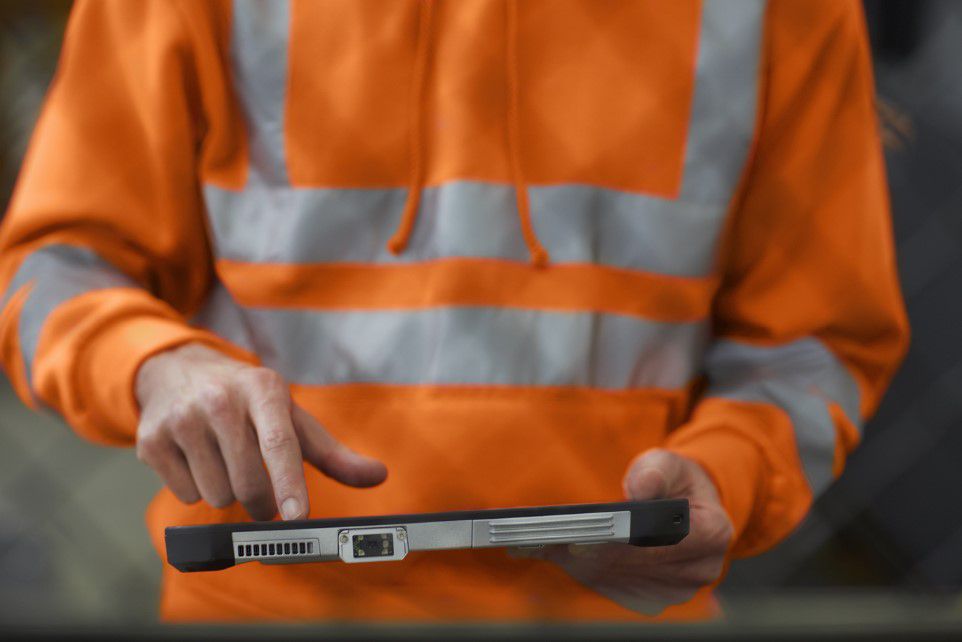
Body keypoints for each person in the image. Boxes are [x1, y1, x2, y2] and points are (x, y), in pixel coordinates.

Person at [0, 0, 908, 621]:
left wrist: (729, 477)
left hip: (616, 614)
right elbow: (55, 266)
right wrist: (156, 365)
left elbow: (818, 342)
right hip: (258, 606)